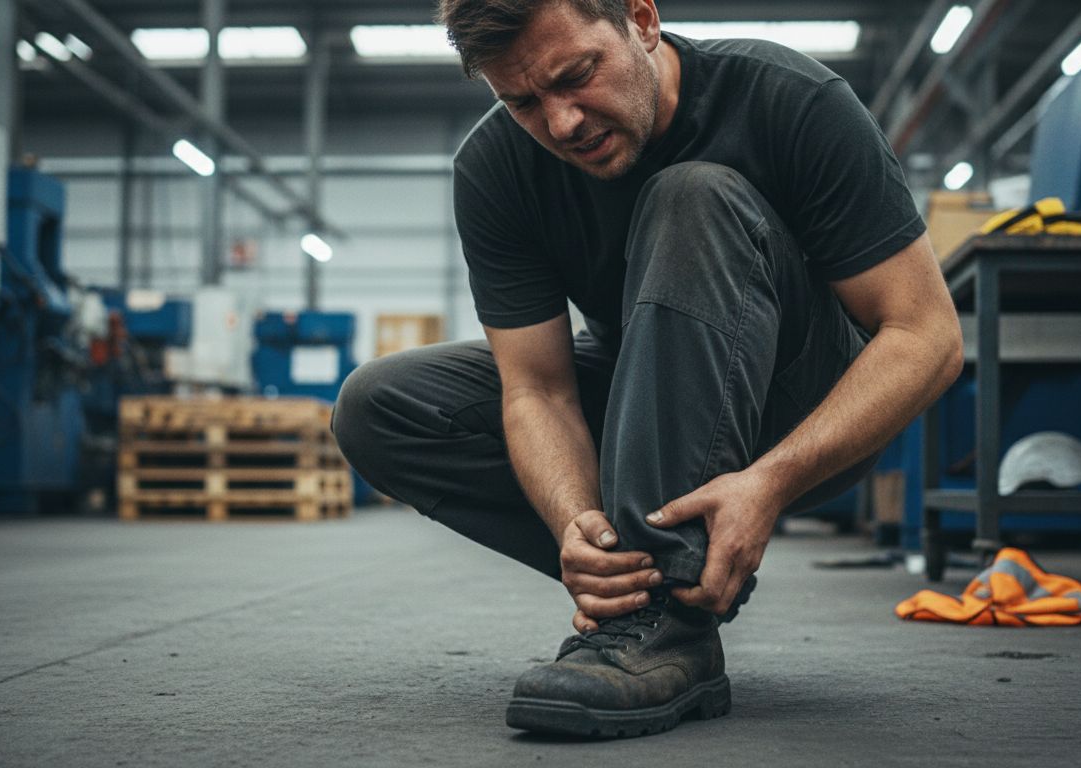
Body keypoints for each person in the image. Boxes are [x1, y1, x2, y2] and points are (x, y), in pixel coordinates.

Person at [333, 0, 963, 738]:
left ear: (641, 19)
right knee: (381, 405)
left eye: (576, 76)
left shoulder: (788, 99)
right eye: (523, 102)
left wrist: (770, 481)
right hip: (651, 389)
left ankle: (667, 625)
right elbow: (538, 389)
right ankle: (643, 589)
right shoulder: (496, 166)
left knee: (692, 193)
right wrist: (574, 524)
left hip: (800, 401)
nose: (562, 123)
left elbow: (927, 336)